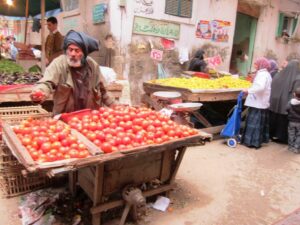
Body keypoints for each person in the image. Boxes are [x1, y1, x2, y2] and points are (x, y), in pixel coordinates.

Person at [30, 30, 115, 115]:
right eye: (70, 50)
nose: (72, 54)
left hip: (89, 118)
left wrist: (114, 106)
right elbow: (47, 82)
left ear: (84, 53)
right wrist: (40, 92)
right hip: (64, 117)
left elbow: (104, 91)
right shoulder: (59, 63)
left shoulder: (92, 65)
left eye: (77, 50)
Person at [241, 57, 272, 149]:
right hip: (260, 102)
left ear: (261, 64)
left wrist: (248, 90)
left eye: (256, 63)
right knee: (257, 123)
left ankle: (252, 142)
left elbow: (260, 87)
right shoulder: (265, 74)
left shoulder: (263, 75)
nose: (254, 65)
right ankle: (255, 141)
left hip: (258, 102)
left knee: (254, 123)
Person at [269, 60, 300, 143]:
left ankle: (272, 135)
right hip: (286, 104)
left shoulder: (278, 75)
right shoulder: (297, 78)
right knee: (284, 122)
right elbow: (297, 92)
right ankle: (282, 138)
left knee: (274, 118)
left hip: (274, 103)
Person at [286, 87, 300, 153]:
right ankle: (296, 148)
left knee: (291, 134)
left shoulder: (290, 102)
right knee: (299, 135)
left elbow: (287, 109)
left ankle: (290, 147)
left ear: (294, 94)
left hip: (291, 121)